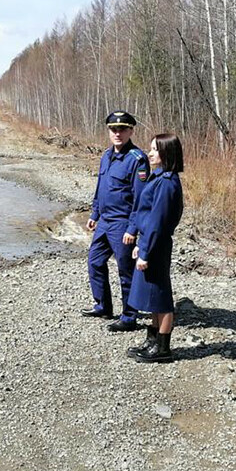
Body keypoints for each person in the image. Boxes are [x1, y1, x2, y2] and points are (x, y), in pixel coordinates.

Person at [81, 111, 150, 332]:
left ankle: (129, 317)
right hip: (104, 222)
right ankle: (103, 305)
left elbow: (140, 200)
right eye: (113, 129)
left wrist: (132, 228)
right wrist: (94, 213)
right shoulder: (106, 156)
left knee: (126, 271)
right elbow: (101, 188)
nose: (117, 133)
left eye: (122, 129)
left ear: (131, 131)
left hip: (122, 224)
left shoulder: (137, 160)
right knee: (95, 262)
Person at [126, 133, 184, 362]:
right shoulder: (158, 177)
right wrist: (141, 244)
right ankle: (152, 341)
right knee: (151, 297)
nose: (150, 153)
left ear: (166, 153)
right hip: (150, 242)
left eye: (155, 150)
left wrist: (146, 251)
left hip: (157, 245)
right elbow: (147, 217)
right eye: (151, 149)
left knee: (161, 297)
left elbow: (157, 222)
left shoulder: (167, 182)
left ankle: (162, 348)